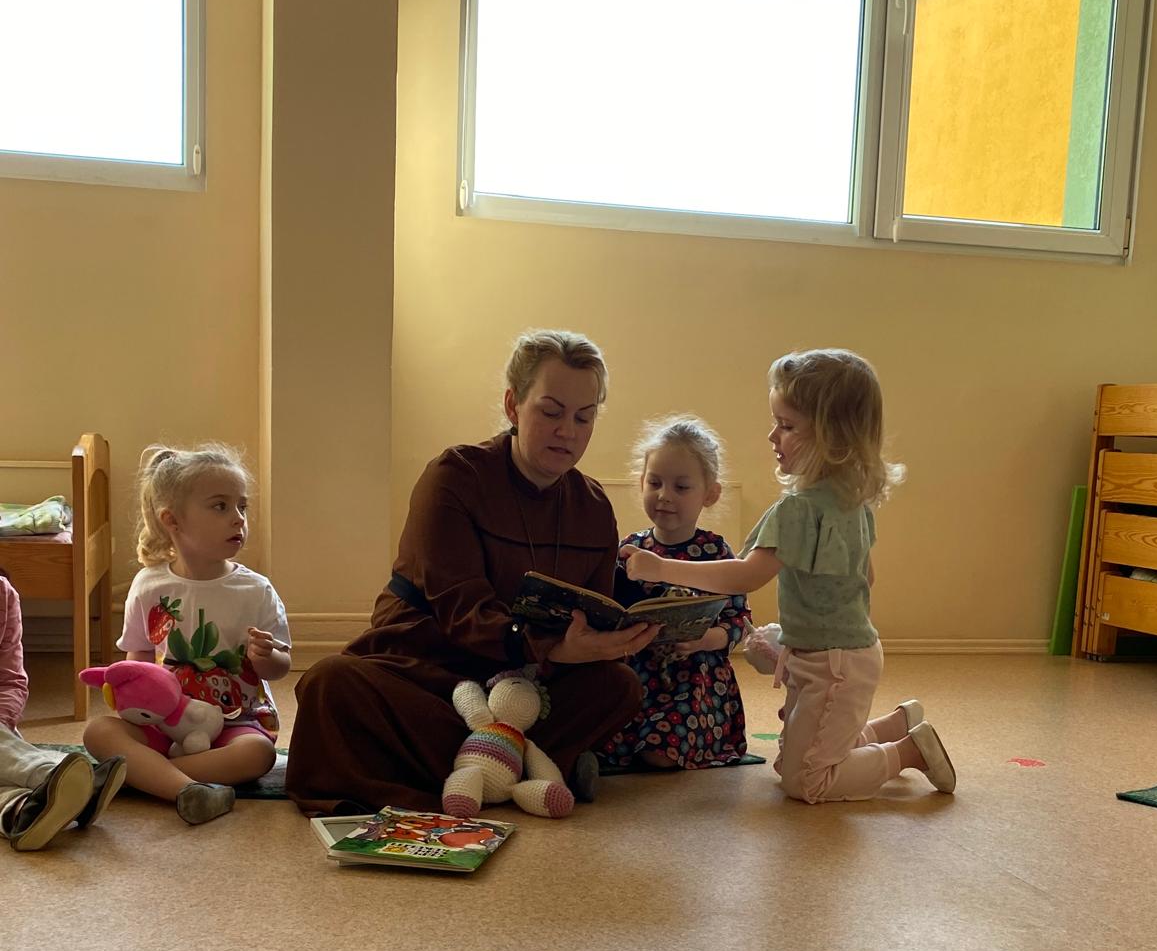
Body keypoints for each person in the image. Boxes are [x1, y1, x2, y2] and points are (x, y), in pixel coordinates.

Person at [285, 329, 655, 814]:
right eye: (551, 412)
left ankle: (477, 770)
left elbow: (593, 612)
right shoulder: (455, 477)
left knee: (618, 686)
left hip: (526, 687)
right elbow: (462, 610)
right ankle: (524, 766)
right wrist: (549, 647)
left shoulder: (594, 506)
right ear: (513, 405)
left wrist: (612, 640)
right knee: (331, 684)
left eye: (584, 417)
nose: (568, 431)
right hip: (433, 673)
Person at [621, 349, 956, 803]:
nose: (772, 435)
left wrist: (661, 566)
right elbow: (865, 578)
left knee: (805, 781)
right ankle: (894, 725)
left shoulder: (798, 509)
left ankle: (908, 751)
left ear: (832, 437)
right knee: (798, 756)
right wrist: (798, 637)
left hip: (833, 664)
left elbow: (746, 576)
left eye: (787, 425)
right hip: (842, 654)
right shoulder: (851, 500)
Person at [83, 444, 291, 826]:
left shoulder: (256, 590)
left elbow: (281, 666)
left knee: (259, 755)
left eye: (242, 506)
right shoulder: (148, 586)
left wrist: (267, 659)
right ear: (173, 520)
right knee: (98, 732)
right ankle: (186, 788)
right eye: (220, 506)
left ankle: (149, 776)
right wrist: (132, 701)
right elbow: (138, 659)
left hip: (235, 722)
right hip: (166, 721)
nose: (238, 519)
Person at [598, 418, 751, 771]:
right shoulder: (630, 548)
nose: (664, 495)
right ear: (641, 482)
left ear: (710, 494)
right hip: (637, 671)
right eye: (655, 483)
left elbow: (739, 621)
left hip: (693, 678)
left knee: (661, 749)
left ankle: (659, 747)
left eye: (681, 487)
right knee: (596, 732)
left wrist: (702, 640)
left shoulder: (715, 551)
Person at [0, 571, 126, 850]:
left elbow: (11, 680)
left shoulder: (3, 593)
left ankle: (22, 812)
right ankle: (55, 777)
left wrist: (1, 725)